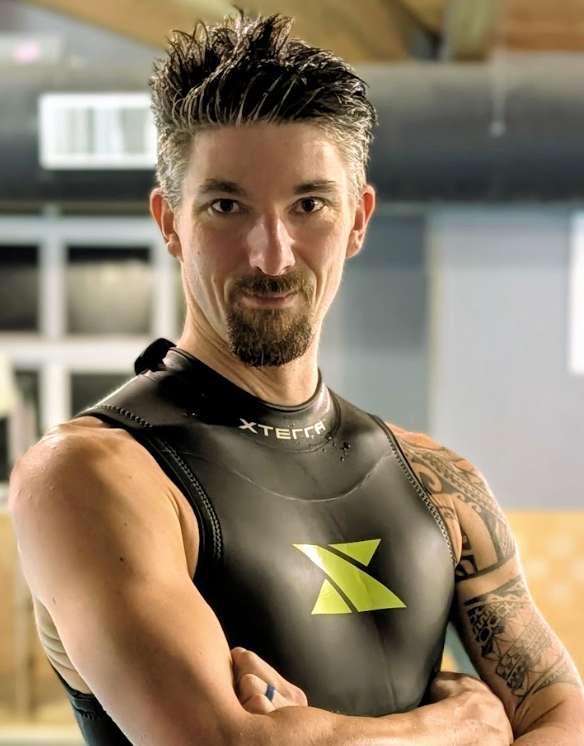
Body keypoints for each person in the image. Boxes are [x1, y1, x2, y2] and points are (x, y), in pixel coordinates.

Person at [8, 11, 584, 746]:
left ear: (358, 220)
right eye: (226, 206)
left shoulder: (435, 481)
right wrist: (458, 726)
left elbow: (561, 718)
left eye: (309, 205)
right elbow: (223, 744)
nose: (271, 255)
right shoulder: (95, 477)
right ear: (170, 222)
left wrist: (311, 732)